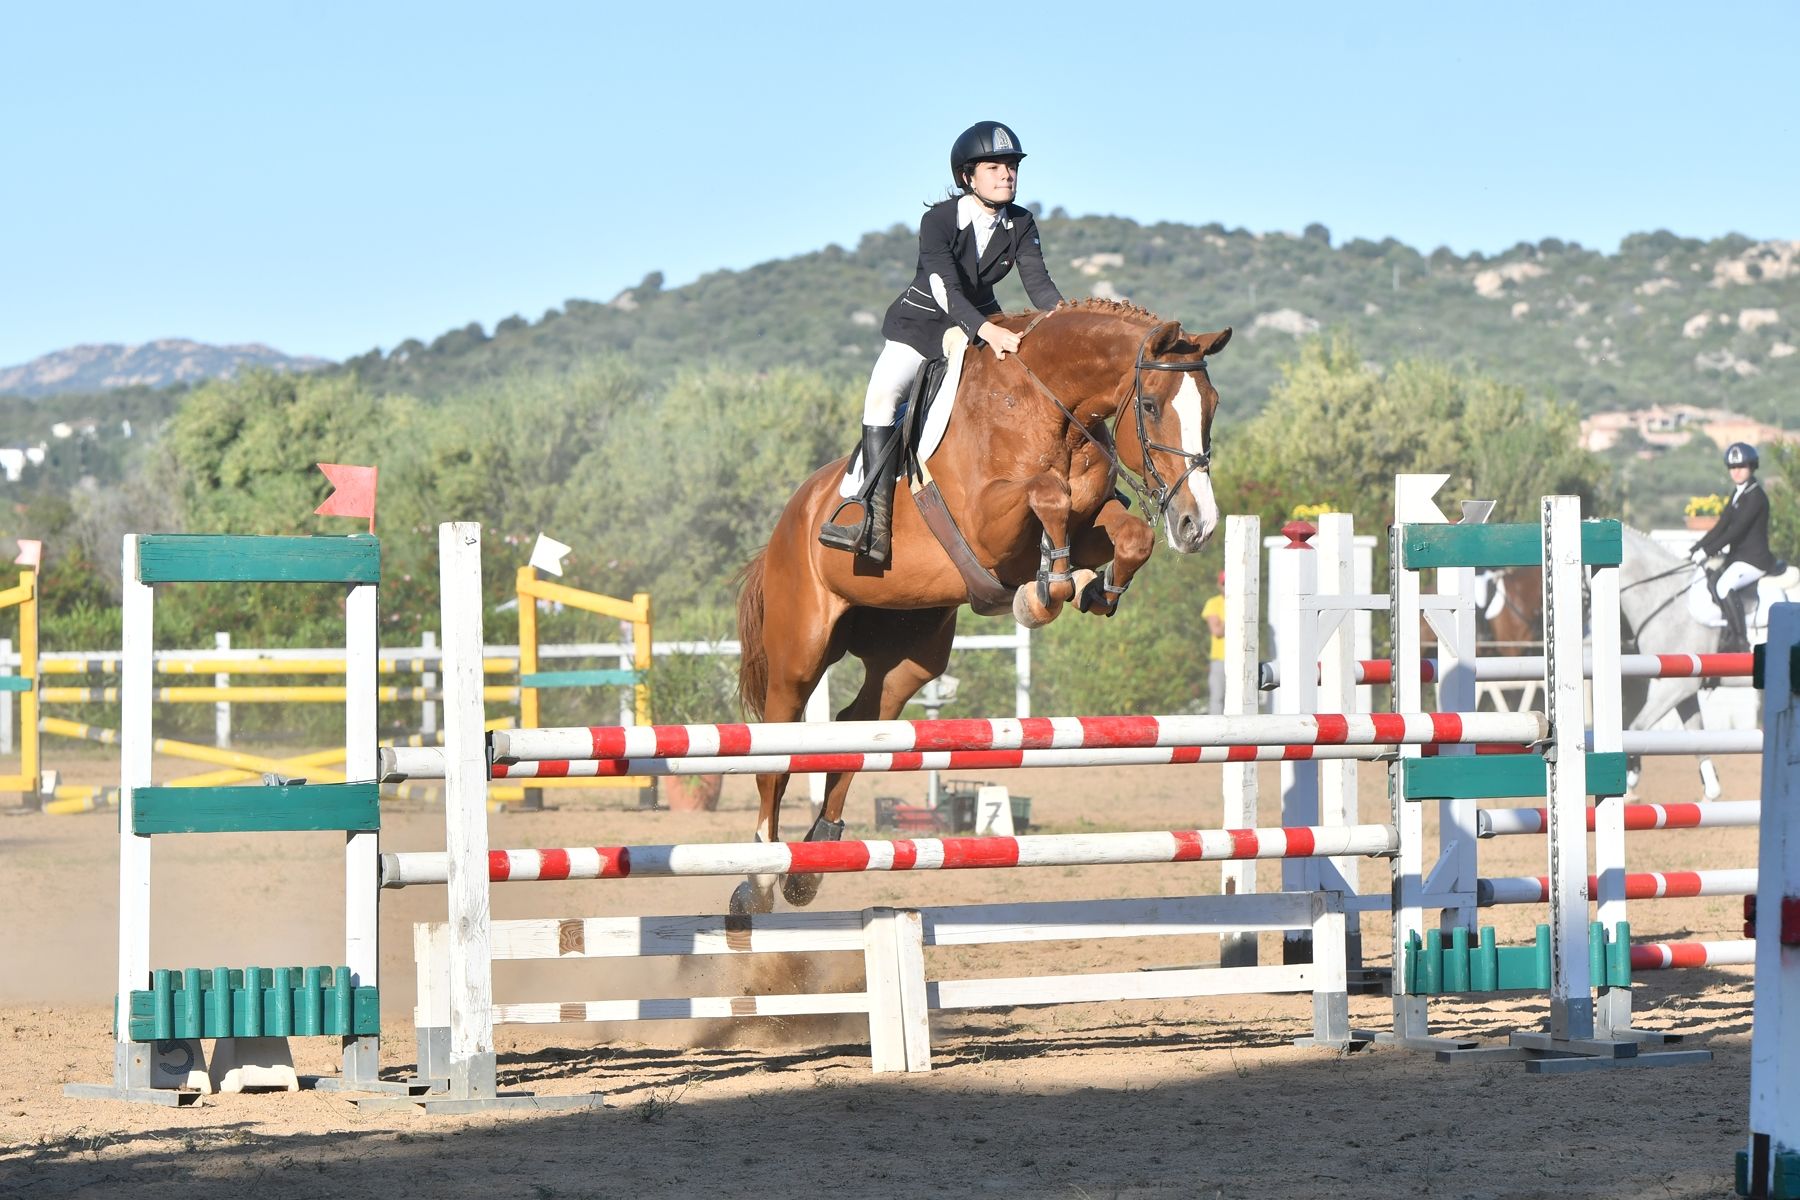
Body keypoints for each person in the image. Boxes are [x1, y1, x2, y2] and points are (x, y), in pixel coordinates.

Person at [819, 121, 1065, 564]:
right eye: (995, 167)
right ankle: (869, 519)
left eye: (1011, 167)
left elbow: (1040, 285)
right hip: (922, 325)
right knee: (881, 397)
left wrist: (1069, 324)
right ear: (968, 177)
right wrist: (986, 331)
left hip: (980, 323)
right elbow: (943, 288)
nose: (1007, 175)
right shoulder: (938, 221)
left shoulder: (1021, 223)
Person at [1689, 442, 1775, 651]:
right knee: (1712, 578)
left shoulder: (1756, 497)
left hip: (1754, 560)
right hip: (1739, 558)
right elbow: (1721, 526)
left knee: (1724, 586)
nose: (1736, 471)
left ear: (1752, 467)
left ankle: (1741, 640)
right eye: (1732, 467)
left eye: (1741, 466)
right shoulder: (1738, 494)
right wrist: (1696, 548)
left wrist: (1707, 552)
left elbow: (1735, 531)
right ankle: (1727, 631)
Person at [1202, 571, 1228, 714]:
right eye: (1224, 584)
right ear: (1219, 585)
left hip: (1240, 660)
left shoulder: (1243, 602)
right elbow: (1217, 631)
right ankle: (1216, 735)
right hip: (1220, 659)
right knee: (1217, 698)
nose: (1227, 587)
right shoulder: (1213, 603)